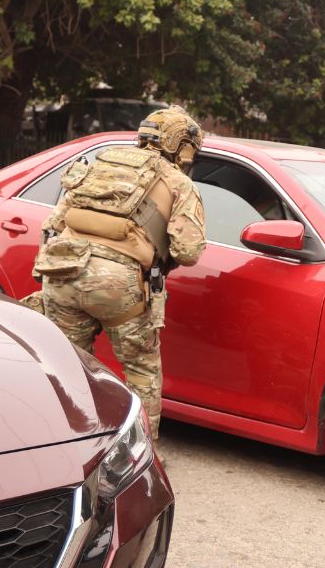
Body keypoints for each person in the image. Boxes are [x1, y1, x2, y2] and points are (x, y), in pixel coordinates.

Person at [29, 105, 207, 444]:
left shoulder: (103, 163)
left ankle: (66, 447)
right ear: (182, 145)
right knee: (142, 371)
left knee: (69, 369)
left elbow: (54, 223)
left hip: (61, 271)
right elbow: (189, 251)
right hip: (117, 286)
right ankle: (140, 457)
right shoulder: (179, 183)